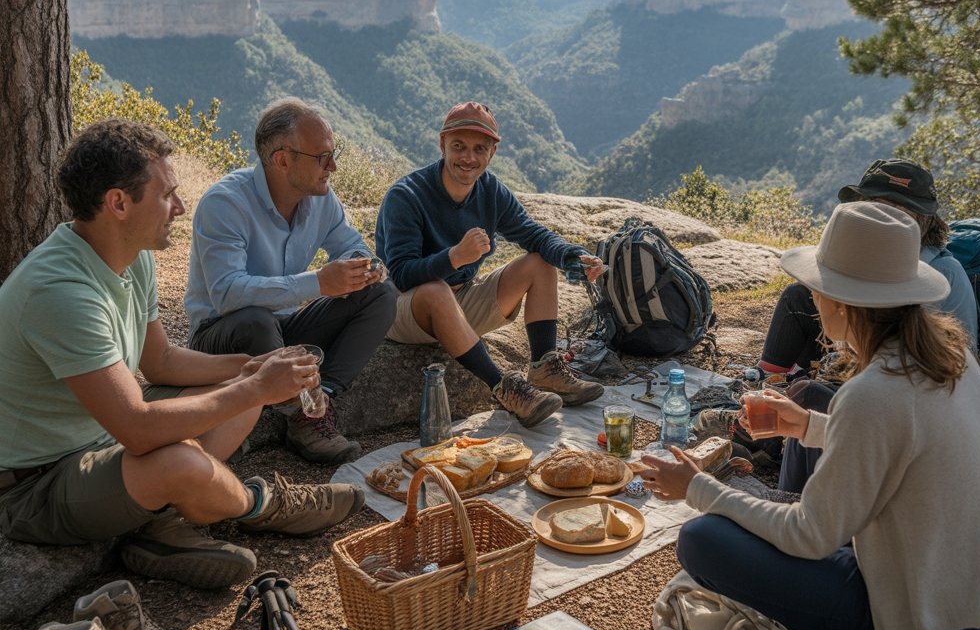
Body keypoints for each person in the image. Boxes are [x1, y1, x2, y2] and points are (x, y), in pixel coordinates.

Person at [642, 201, 980, 630]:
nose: (812, 301)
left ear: (839, 303)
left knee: (701, 540)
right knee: (815, 401)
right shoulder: (950, 352)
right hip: (968, 594)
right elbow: (903, 441)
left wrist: (698, 487)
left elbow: (810, 536)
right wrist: (805, 426)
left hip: (921, 622)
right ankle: (784, 495)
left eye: (815, 291)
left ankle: (771, 513)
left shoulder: (874, 394)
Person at [0, 119, 364, 596]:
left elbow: (162, 363)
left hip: (97, 435)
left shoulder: (133, 254)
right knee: (181, 460)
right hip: (38, 481)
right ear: (119, 203)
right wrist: (254, 385)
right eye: (167, 195)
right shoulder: (62, 292)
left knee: (240, 396)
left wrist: (252, 370)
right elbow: (136, 427)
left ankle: (160, 523)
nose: (180, 207)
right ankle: (259, 503)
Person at [186, 97, 396, 464]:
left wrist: (366, 268)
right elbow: (227, 295)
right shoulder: (225, 204)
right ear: (282, 159)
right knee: (256, 320)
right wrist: (317, 282)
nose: (333, 166)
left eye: (334, 153)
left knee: (380, 294)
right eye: (322, 157)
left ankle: (317, 403)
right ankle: (299, 412)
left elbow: (352, 247)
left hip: (283, 332)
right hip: (225, 335)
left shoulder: (322, 199)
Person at [375, 101, 604, 427]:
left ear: (491, 153)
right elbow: (401, 273)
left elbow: (533, 235)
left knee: (539, 262)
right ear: (442, 145)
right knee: (437, 289)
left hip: (459, 301)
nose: (468, 158)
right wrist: (454, 257)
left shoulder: (490, 191)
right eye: (459, 147)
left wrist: (572, 256)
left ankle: (545, 368)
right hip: (404, 308)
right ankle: (505, 388)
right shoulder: (407, 196)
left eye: (479, 149)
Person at [759, 158, 978, 377]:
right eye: (875, 207)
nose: (882, 217)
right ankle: (766, 380)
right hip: (864, 356)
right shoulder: (871, 257)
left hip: (902, 376)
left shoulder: (943, 273)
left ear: (924, 220)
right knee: (798, 296)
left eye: (899, 212)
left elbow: (939, 364)